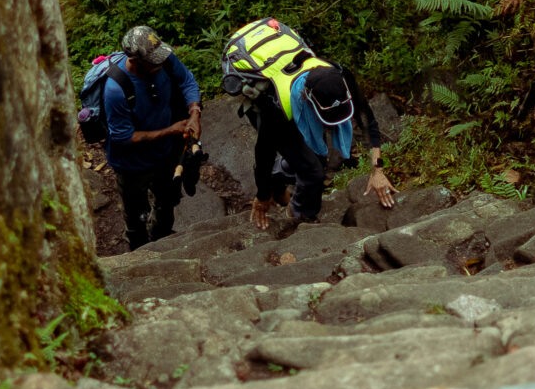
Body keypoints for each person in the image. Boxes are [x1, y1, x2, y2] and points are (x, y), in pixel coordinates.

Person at [221, 18, 396, 239]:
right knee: (313, 171)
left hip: (299, 104)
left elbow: (367, 121)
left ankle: (282, 174)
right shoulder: (277, 108)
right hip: (272, 107)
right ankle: (300, 217)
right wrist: (263, 196)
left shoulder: (340, 77)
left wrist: (377, 170)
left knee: (314, 159)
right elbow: (263, 153)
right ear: (307, 100)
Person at [101, 24, 201, 249]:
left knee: (167, 202)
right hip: (132, 165)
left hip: (165, 154)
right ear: (135, 61)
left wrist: (194, 112)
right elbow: (123, 136)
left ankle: (163, 242)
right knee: (136, 215)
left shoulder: (163, 59)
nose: (160, 62)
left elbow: (187, 81)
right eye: (153, 60)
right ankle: (139, 250)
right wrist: (171, 130)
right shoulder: (116, 90)